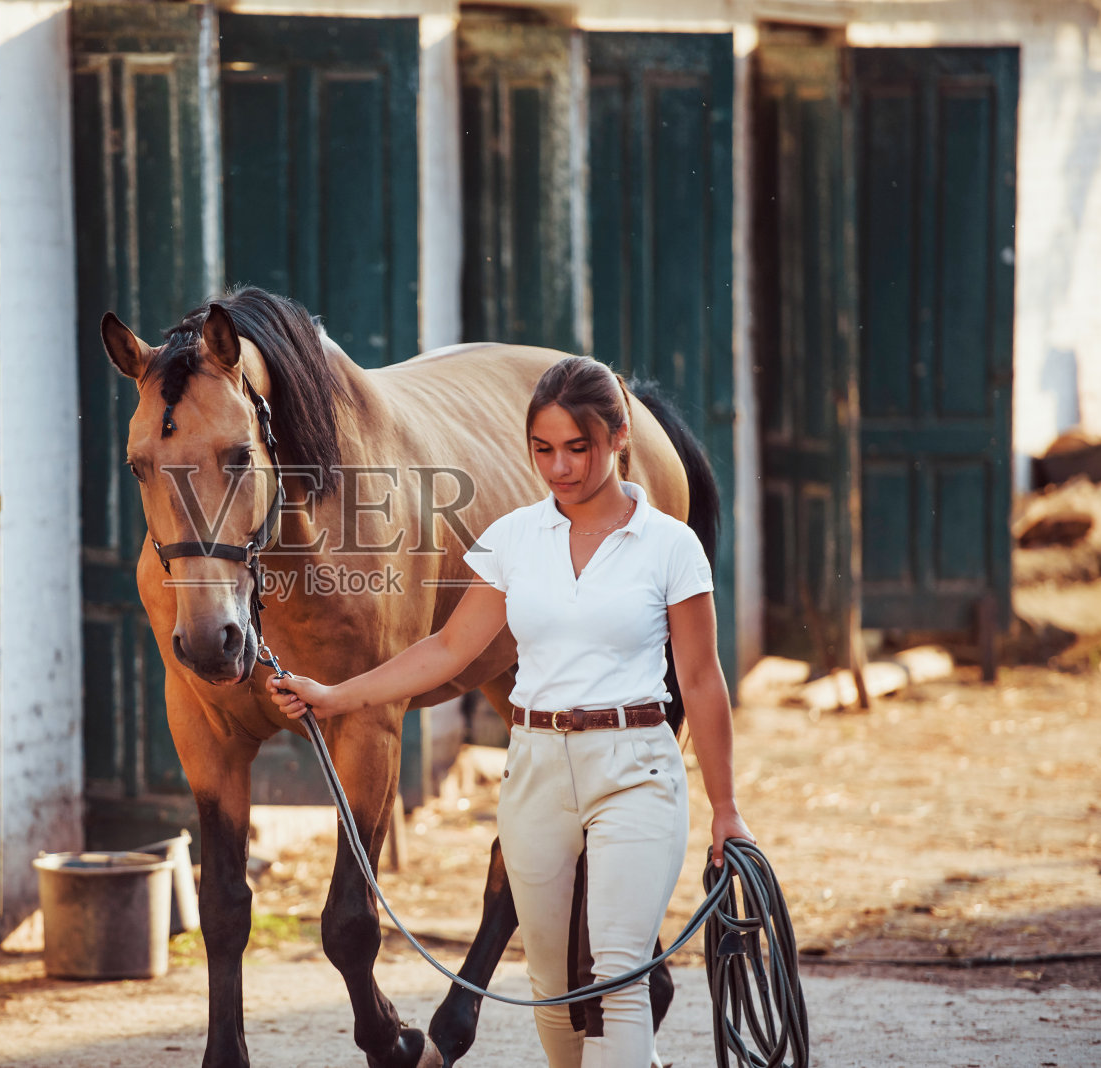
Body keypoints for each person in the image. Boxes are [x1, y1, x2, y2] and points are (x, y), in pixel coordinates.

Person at [267, 356, 753, 1068]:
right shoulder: (512, 540)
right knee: (553, 991)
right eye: (543, 450)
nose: (560, 469)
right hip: (535, 771)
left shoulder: (671, 547)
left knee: (616, 974)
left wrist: (726, 806)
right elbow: (446, 648)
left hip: (635, 766)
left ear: (620, 438)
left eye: (578, 449)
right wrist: (336, 695)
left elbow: (703, 682)